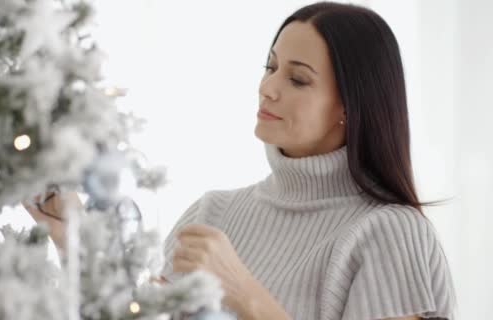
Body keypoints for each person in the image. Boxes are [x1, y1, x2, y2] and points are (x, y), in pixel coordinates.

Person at [26, 2, 457, 319]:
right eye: (269, 67)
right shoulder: (214, 214)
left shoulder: (390, 233)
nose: (268, 88)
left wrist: (245, 294)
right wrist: (76, 242)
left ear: (350, 105)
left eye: (297, 79)